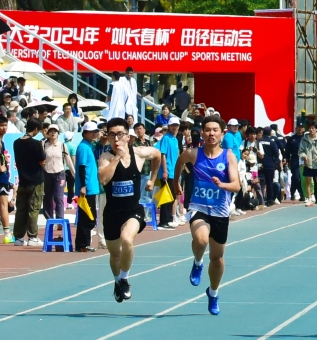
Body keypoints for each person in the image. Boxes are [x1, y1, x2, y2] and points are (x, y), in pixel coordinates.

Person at [173, 115, 240, 315]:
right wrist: (176, 183)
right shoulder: (193, 154)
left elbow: (236, 185)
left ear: (222, 134)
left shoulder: (228, 156)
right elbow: (179, 162)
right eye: (208, 130)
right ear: (202, 133)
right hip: (198, 207)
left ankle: (213, 292)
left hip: (220, 212)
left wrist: (223, 185)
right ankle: (197, 262)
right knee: (201, 240)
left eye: (215, 130)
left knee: (217, 258)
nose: (211, 133)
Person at [97, 117, 162, 303]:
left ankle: (124, 279)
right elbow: (103, 179)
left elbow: (157, 154)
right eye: (112, 135)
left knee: (127, 239)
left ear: (128, 136)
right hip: (112, 212)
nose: (116, 139)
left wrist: (153, 179)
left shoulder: (139, 153)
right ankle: (118, 281)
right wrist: (117, 157)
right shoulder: (105, 157)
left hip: (133, 210)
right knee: (115, 255)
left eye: (120, 135)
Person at [12, 118, 46, 247]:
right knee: (33, 209)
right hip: (35, 180)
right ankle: (32, 237)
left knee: (21, 209)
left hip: (22, 180)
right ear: (36, 129)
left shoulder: (16, 143)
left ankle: (18, 238)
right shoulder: (36, 144)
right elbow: (42, 161)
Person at [73, 121, 102, 251]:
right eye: (92, 132)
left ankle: (84, 244)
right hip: (87, 188)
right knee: (87, 217)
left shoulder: (88, 145)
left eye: (95, 131)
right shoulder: (83, 147)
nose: (95, 134)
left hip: (91, 186)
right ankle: (81, 244)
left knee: (88, 217)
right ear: (85, 133)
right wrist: (83, 186)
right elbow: (81, 167)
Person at [299, 122, 317, 206]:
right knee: (308, 181)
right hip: (308, 163)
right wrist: (304, 156)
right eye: (310, 128)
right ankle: (309, 199)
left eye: (313, 128)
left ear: (316, 129)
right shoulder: (304, 139)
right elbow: (300, 151)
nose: (311, 130)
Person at [0, 115, 13, 243]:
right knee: (4, 205)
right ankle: (7, 235)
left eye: (6, 125)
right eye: (1, 125)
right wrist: (0, 167)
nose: (4, 128)